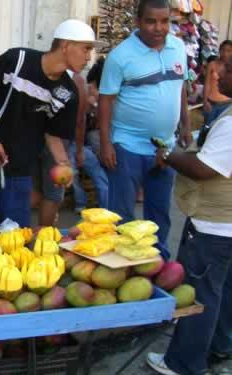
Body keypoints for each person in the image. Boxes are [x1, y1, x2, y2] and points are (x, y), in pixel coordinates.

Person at [0, 19, 104, 227]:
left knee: (16, 233)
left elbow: (52, 134)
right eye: (86, 49)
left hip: (19, 166)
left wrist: (64, 163)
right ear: (66, 46)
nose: (89, 58)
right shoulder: (17, 59)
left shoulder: (67, 93)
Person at [146, 55, 232, 375]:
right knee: (222, 291)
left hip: (214, 227)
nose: (219, 73)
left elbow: (202, 169)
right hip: (226, 227)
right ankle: (219, 347)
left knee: (201, 295)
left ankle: (183, 364)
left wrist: (168, 154)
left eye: (229, 70)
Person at [98, 0, 192, 260]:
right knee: (122, 214)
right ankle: (123, 268)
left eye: (164, 21)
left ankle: (157, 264)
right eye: (151, 21)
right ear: (138, 22)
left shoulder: (178, 47)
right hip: (127, 145)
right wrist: (106, 144)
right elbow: (105, 100)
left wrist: (185, 124)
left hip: (166, 146)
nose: (158, 28)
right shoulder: (120, 56)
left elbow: (181, 87)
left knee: (159, 211)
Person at [36, 71, 109, 226]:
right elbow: (80, 121)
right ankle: (46, 231)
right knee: (55, 193)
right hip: (64, 142)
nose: (88, 56)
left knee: (48, 189)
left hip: (50, 141)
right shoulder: (78, 81)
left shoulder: (68, 80)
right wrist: (80, 151)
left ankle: (85, 206)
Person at [203, 40, 232, 125]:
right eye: (223, 50)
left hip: (227, 105)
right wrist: (205, 101)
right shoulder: (212, 64)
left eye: (229, 51)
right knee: (207, 129)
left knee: (221, 130)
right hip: (211, 104)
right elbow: (207, 84)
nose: (225, 53)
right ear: (219, 50)